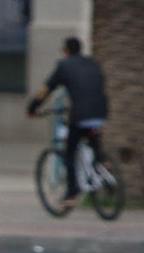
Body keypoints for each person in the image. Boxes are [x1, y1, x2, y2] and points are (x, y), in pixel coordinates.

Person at [27, 37, 108, 206]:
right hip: (100, 111)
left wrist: (32, 108)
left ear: (66, 51)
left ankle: (72, 193)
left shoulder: (64, 66)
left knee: (70, 152)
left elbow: (46, 90)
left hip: (81, 114)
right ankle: (103, 167)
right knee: (93, 142)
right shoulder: (92, 63)